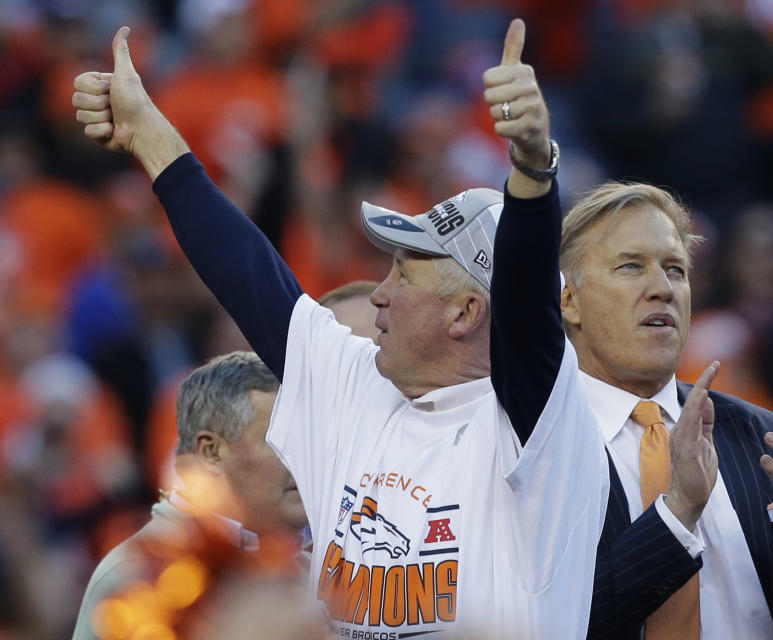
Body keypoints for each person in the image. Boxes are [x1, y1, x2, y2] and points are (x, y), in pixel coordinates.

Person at [72, 20, 622, 637]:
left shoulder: (538, 423)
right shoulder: (357, 386)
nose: (379, 296)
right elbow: (248, 273)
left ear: (466, 313)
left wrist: (530, 170)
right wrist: (148, 134)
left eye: (406, 276)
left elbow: (525, 308)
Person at [556, 182, 773, 639]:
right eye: (631, 266)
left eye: (676, 270)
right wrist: (678, 513)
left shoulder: (760, 436)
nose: (662, 289)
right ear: (570, 300)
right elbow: (557, 623)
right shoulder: (535, 449)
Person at [72, 351, 308, 640]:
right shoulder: (136, 575)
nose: (307, 457)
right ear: (210, 452)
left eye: (309, 438)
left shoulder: (308, 570)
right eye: (282, 440)